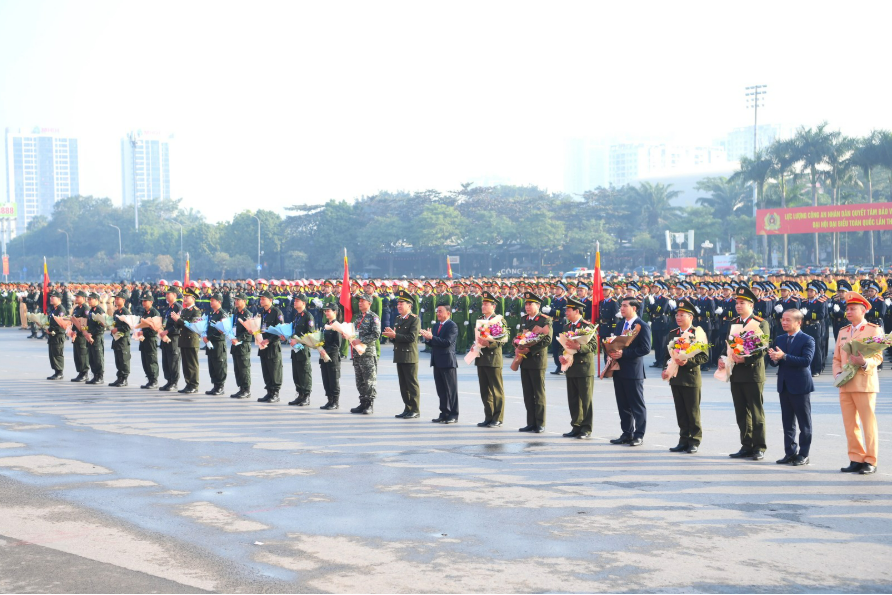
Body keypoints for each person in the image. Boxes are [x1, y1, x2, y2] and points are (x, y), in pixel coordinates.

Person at [832, 291, 884, 475]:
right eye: (847, 309)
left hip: (864, 383)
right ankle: (856, 458)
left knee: (868, 424)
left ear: (863, 310)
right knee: (850, 424)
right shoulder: (843, 331)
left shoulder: (873, 329)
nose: (848, 311)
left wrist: (864, 362)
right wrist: (837, 372)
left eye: (852, 308)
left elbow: (878, 357)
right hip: (845, 384)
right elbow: (836, 358)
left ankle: (870, 460)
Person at [718, 286, 771, 461]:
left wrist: (746, 360)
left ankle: (759, 446)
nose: (738, 306)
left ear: (751, 304)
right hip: (736, 373)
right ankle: (746, 444)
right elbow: (727, 345)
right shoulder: (734, 322)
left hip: (752, 373)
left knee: (756, 411)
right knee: (741, 412)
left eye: (742, 303)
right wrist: (723, 358)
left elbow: (762, 348)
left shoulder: (760, 323)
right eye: (737, 303)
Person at [768, 309, 815, 466]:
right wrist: (773, 357)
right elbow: (775, 362)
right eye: (783, 319)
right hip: (784, 385)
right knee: (787, 423)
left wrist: (784, 356)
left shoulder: (807, 340)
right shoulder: (780, 339)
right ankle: (790, 452)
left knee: (804, 423)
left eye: (788, 320)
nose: (784, 322)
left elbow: (806, 361)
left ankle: (804, 454)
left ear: (798, 322)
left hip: (800, 386)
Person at [661, 298, 708, 453]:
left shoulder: (697, 333)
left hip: (691, 378)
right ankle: (683, 440)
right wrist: (665, 369)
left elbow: (704, 356)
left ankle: (694, 440)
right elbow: (666, 355)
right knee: (681, 412)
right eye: (677, 315)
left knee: (692, 412)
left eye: (682, 315)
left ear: (691, 317)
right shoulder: (672, 333)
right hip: (675, 377)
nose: (678, 318)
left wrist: (687, 362)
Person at [607, 296, 652, 446]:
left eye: (625, 305)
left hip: (633, 371)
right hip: (618, 370)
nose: (622, 308)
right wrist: (611, 353)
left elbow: (645, 348)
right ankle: (627, 433)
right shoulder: (620, 324)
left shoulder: (642, 325)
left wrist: (624, 354)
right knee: (623, 404)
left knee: (636, 405)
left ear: (634, 308)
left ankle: (639, 435)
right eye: (621, 305)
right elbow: (615, 343)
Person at [560, 297, 596, 439]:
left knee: (585, 400)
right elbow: (562, 345)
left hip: (584, 368)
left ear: (577, 311)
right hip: (570, 367)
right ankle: (576, 425)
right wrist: (561, 356)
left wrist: (579, 347)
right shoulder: (566, 327)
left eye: (568, 310)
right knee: (573, 399)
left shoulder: (587, 326)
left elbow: (594, 346)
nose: (566, 313)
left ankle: (586, 428)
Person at [517, 292, 553, 433]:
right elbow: (521, 336)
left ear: (537, 305)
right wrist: (518, 344)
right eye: (525, 304)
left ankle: (540, 423)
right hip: (524, 361)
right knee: (527, 393)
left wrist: (529, 350)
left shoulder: (544, 320)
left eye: (529, 304)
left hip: (537, 360)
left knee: (538, 393)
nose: (527, 307)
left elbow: (547, 340)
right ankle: (530, 422)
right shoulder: (524, 319)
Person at [383, 289, 421, 419]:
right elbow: (397, 338)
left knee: (411, 384)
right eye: (398, 304)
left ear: (409, 306)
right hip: (399, 355)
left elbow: (411, 338)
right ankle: (407, 408)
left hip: (410, 355)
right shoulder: (398, 318)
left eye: (402, 304)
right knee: (403, 384)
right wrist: (392, 336)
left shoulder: (414, 320)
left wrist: (395, 335)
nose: (398, 306)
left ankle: (415, 409)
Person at [474, 291, 509, 427]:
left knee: (496, 390)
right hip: (481, 358)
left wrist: (489, 343)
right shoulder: (481, 319)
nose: (483, 306)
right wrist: (475, 345)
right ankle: (488, 416)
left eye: (486, 304)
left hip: (493, 359)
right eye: (483, 304)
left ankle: (498, 418)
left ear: (493, 306)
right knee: (485, 390)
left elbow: (502, 340)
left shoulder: (499, 320)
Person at [421, 304, 459, 423]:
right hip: (437, 361)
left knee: (451, 390)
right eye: (437, 311)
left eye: (440, 311)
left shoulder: (452, 326)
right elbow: (434, 343)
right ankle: (444, 412)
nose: (438, 314)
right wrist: (428, 339)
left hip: (447, 361)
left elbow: (447, 342)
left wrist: (432, 338)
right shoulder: (437, 325)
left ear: (448, 313)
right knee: (441, 389)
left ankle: (453, 414)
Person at [349, 293, 381, 414]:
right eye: (359, 301)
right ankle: (362, 403)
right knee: (360, 380)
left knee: (369, 380)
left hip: (367, 353)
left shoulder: (374, 317)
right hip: (357, 353)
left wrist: (361, 340)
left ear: (369, 303)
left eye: (362, 301)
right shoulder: (357, 317)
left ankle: (369, 404)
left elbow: (376, 335)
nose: (360, 303)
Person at [170, 287, 202, 394]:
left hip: (192, 340)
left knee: (192, 364)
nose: (185, 299)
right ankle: (188, 383)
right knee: (185, 364)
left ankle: (194, 385)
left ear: (193, 298)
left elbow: (192, 325)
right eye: (184, 297)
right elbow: (178, 325)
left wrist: (179, 319)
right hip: (183, 340)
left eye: (187, 297)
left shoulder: (196, 312)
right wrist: (176, 320)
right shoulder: (183, 310)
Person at [256, 291, 285, 403]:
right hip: (263, 345)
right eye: (261, 299)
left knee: (274, 370)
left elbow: (280, 331)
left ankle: (275, 393)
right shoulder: (262, 313)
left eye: (264, 299)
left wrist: (269, 339)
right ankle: (269, 392)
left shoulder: (276, 312)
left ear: (270, 300)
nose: (261, 301)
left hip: (273, 346)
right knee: (266, 369)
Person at [287, 294, 315, 406]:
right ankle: (300, 395)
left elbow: (311, 334)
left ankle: (306, 396)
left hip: (303, 349)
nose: (295, 302)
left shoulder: (308, 316)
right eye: (294, 300)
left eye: (297, 301)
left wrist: (298, 341)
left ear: (303, 303)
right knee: (297, 372)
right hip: (295, 349)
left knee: (304, 372)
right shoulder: (297, 315)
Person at [229, 293, 254, 399]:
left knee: (244, 368)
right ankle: (241, 388)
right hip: (235, 343)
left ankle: (246, 389)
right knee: (237, 368)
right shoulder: (235, 313)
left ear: (244, 301)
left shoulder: (247, 314)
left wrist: (238, 339)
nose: (236, 301)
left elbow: (250, 331)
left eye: (238, 300)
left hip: (243, 344)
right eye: (235, 300)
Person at [318, 302, 343, 409]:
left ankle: (335, 401)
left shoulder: (336, 326)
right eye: (325, 311)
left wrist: (326, 351)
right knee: (326, 379)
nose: (326, 313)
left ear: (335, 312)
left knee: (333, 380)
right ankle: (329, 400)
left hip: (332, 357)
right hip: (324, 356)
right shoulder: (326, 325)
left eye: (328, 311)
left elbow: (337, 344)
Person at [158, 287, 182, 391]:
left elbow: (178, 325)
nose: (167, 296)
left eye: (169, 294)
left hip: (173, 337)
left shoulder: (178, 308)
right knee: (166, 360)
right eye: (166, 294)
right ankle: (168, 381)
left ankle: (174, 382)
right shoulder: (167, 308)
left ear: (175, 295)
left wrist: (167, 331)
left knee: (173, 360)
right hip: (165, 336)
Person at [204, 293, 228, 395]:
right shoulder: (211, 313)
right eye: (211, 300)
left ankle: (220, 387)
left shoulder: (222, 314)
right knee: (212, 365)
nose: (211, 302)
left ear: (219, 302)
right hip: (210, 342)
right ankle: (215, 385)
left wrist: (208, 337)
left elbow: (221, 330)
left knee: (219, 365)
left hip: (218, 343)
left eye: (213, 300)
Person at [136, 294, 161, 389]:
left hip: (150, 339)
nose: (143, 303)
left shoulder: (155, 313)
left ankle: (154, 380)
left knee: (151, 360)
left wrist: (143, 331)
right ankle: (149, 379)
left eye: (145, 301)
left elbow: (155, 328)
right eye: (142, 301)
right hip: (144, 339)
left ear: (151, 302)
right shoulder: (145, 312)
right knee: (145, 360)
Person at [108, 291, 132, 387]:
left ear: (123, 300)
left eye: (118, 299)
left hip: (123, 340)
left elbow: (128, 326)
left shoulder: (125, 312)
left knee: (123, 359)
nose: (116, 300)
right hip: (116, 338)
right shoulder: (117, 311)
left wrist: (117, 329)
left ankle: (124, 378)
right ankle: (119, 377)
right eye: (116, 298)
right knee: (118, 359)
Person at [85, 292, 106, 384]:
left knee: (98, 357)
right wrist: (86, 332)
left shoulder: (99, 311)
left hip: (97, 337)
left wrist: (91, 334)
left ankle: (100, 376)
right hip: (90, 337)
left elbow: (101, 326)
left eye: (90, 299)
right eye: (88, 299)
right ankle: (95, 375)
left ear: (96, 300)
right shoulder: (91, 310)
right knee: (92, 357)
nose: (89, 301)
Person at [69, 290, 90, 382]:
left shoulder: (85, 308)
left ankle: (84, 373)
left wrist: (77, 331)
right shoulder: (77, 308)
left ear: (83, 298)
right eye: (76, 297)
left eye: (78, 297)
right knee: (77, 355)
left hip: (81, 335)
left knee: (83, 354)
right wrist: (71, 330)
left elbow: (84, 322)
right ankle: (80, 372)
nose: (76, 298)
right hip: (76, 334)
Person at [45, 290, 66, 380]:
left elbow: (61, 324)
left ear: (59, 299)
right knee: (52, 354)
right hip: (52, 335)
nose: (51, 298)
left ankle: (59, 372)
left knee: (57, 354)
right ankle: (56, 371)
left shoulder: (61, 309)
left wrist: (50, 330)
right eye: (51, 297)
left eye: (53, 297)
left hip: (58, 335)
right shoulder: (54, 309)